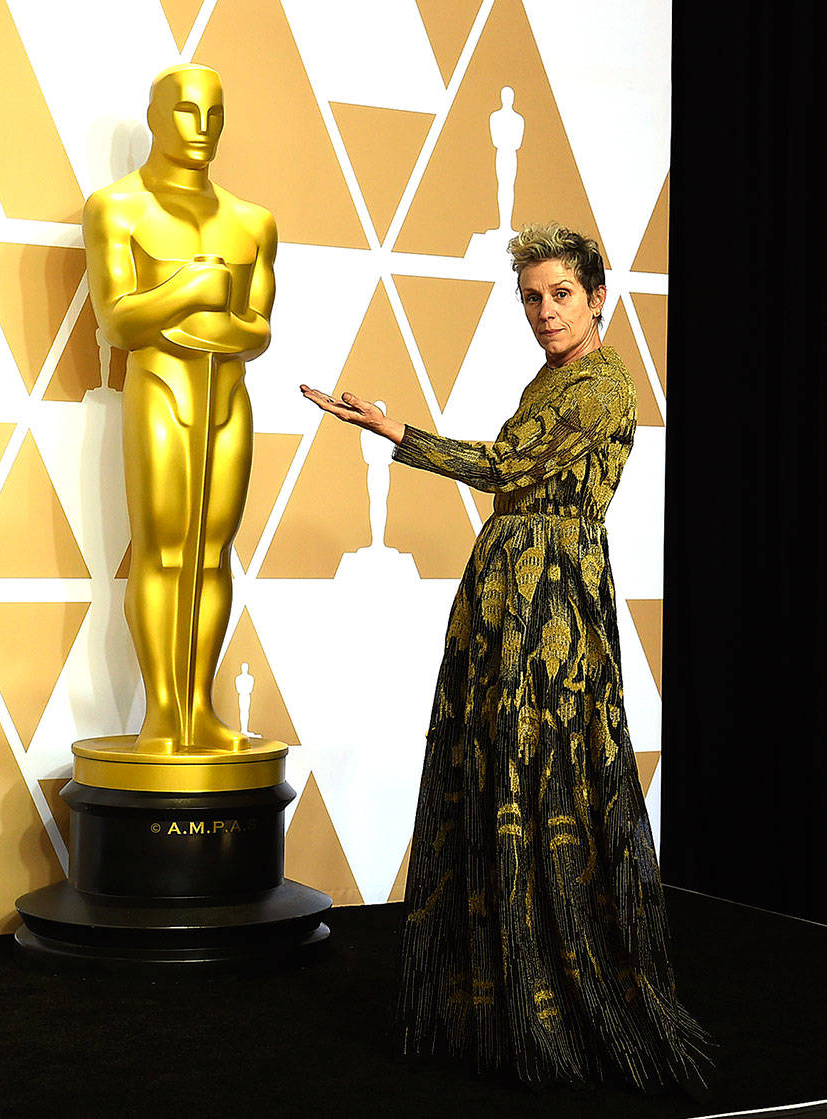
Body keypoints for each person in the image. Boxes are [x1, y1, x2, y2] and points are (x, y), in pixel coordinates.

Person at [301, 223, 711, 1091]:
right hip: (506, 594)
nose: (544, 311)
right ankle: (493, 999)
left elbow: (504, 466)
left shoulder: (601, 388)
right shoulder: (551, 376)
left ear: (598, 296)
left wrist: (395, 430)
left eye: (560, 293)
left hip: (553, 604)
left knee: (546, 780)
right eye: (531, 296)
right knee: (494, 775)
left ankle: (560, 993)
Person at [84, 64, 277, 754]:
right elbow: (119, 322)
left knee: (215, 553)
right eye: (188, 112)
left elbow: (257, 331)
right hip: (161, 392)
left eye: (214, 113)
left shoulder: (252, 222)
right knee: (163, 550)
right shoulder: (117, 208)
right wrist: (194, 289)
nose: (202, 129)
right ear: (158, 117)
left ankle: (199, 707)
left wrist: (177, 317)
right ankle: (164, 711)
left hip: (226, 396)